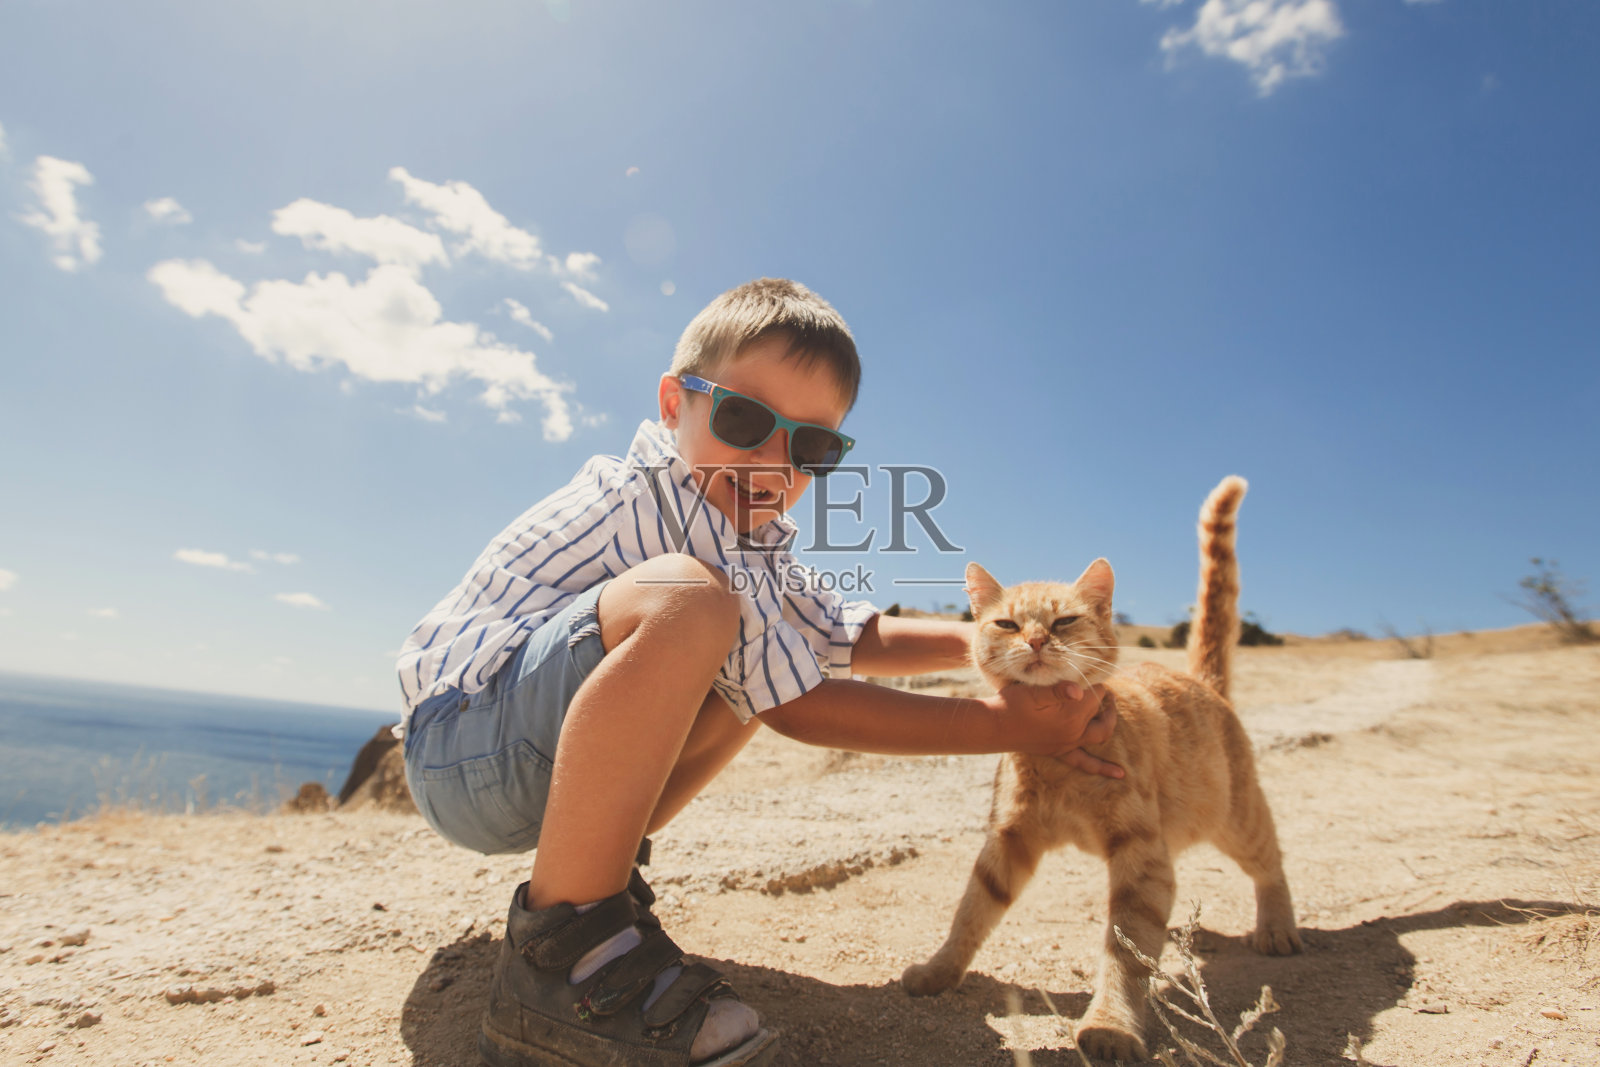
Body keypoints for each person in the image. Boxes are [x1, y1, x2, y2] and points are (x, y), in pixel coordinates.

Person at [396, 278, 1120, 1067]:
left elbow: (844, 631)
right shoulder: (663, 502)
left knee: (757, 647)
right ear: (675, 404)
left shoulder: (752, 535)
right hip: (463, 742)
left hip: (524, 764)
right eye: (744, 419)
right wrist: (1003, 726)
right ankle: (563, 957)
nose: (774, 461)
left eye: (810, 446)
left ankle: (593, 888)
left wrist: (1001, 642)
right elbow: (799, 706)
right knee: (700, 611)